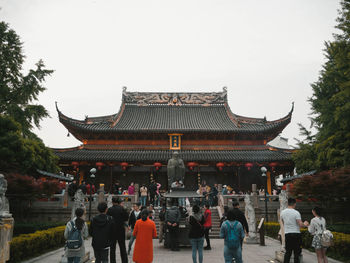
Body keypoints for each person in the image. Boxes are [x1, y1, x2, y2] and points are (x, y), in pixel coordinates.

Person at [280, 197, 308, 263]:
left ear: (287, 203)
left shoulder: (282, 212)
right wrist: (305, 224)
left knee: (288, 253)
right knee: (296, 253)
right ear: (294, 204)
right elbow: (300, 224)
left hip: (287, 234)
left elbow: (283, 223)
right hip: (296, 234)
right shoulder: (296, 213)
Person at [107, 197, 129, 263]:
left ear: (112, 202)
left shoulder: (109, 210)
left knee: (112, 248)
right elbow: (126, 218)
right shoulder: (122, 209)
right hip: (120, 230)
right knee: (122, 247)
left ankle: (113, 261)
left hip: (112, 230)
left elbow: (107, 219)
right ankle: (124, 261)